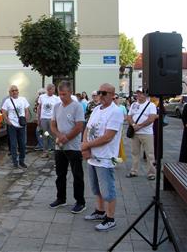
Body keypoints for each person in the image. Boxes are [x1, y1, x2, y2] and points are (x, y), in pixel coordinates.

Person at [82, 83, 124, 231]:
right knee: (95, 188)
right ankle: (100, 211)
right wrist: (85, 146)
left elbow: (108, 137)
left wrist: (87, 146)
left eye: (105, 93)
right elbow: (87, 128)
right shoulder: (96, 109)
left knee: (108, 190)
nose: (101, 95)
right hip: (93, 156)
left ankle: (110, 218)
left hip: (105, 158)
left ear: (113, 95)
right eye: (100, 92)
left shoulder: (116, 111)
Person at [49, 81, 86, 213]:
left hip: (74, 147)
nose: (61, 96)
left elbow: (79, 126)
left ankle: (80, 201)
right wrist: (59, 135)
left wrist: (67, 138)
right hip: (60, 146)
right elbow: (52, 124)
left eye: (64, 94)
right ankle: (61, 198)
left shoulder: (77, 106)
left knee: (77, 175)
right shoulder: (56, 106)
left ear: (70, 92)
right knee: (60, 174)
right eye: (60, 94)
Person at [126, 89, 157, 180]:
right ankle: (134, 171)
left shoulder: (151, 105)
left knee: (149, 153)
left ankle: (151, 173)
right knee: (135, 153)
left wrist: (140, 126)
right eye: (138, 93)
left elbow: (151, 118)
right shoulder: (134, 104)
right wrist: (134, 125)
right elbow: (129, 116)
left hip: (147, 133)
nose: (138, 95)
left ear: (145, 95)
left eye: (141, 93)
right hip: (135, 133)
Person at [2, 85, 30, 168]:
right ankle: (15, 161)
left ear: (18, 91)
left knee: (22, 144)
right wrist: (7, 121)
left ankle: (22, 160)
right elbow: (3, 111)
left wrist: (26, 119)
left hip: (21, 125)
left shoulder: (23, 99)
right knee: (13, 144)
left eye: (16, 90)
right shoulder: (7, 101)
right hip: (12, 126)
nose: (14, 92)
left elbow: (27, 110)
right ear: (10, 92)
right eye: (12, 91)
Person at [37, 84, 60, 158]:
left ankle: (55, 152)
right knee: (45, 135)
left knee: (53, 136)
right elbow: (39, 108)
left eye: (52, 89)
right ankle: (45, 152)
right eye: (49, 89)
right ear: (47, 89)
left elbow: (58, 109)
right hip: (43, 119)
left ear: (54, 90)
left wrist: (57, 120)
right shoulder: (42, 97)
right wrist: (38, 118)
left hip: (52, 119)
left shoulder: (56, 98)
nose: (51, 91)